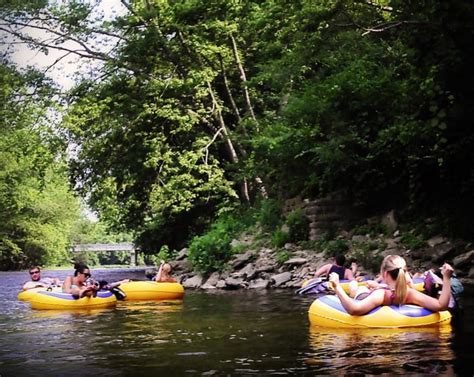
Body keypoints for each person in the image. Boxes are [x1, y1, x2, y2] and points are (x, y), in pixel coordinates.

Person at [330, 254, 454, 315]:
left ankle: (356, 288)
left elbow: (354, 309)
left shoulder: (380, 295)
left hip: (365, 296)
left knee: (356, 287)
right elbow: (441, 305)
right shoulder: (410, 293)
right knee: (374, 286)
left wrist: (336, 286)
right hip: (387, 290)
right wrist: (446, 278)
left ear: (385, 274)